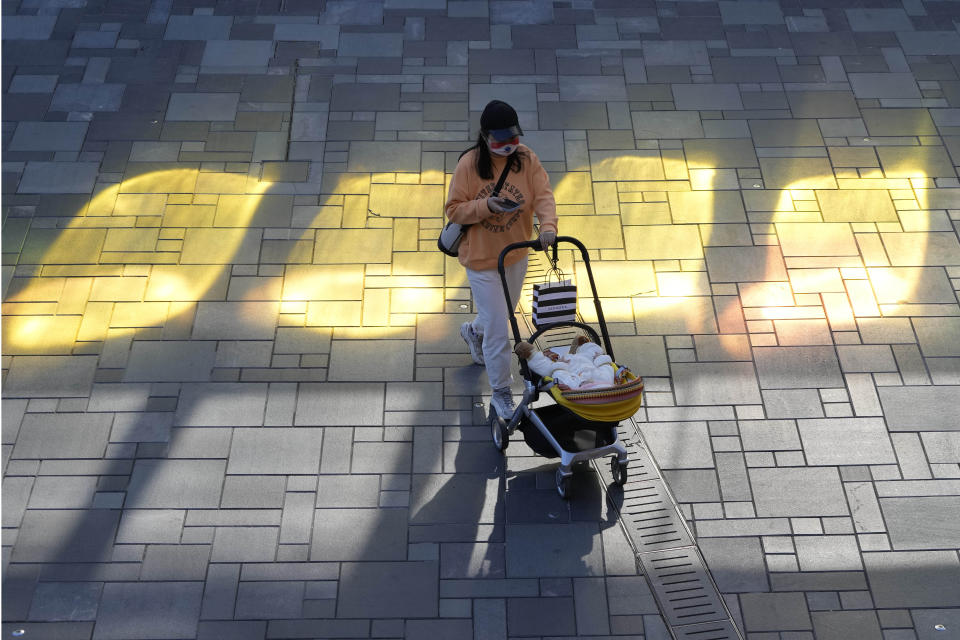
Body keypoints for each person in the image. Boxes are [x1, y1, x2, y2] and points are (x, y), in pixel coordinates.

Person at [444, 99, 558, 419]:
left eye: (513, 137)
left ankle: (473, 331)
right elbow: (454, 210)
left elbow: (544, 196)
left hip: (516, 253)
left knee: (497, 316)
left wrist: (548, 227)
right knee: (500, 328)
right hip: (481, 260)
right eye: (501, 139)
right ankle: (502, 392)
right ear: (484, 136)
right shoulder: (468, 165)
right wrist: (486, 207)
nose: (509, 145)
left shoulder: (527, 159)